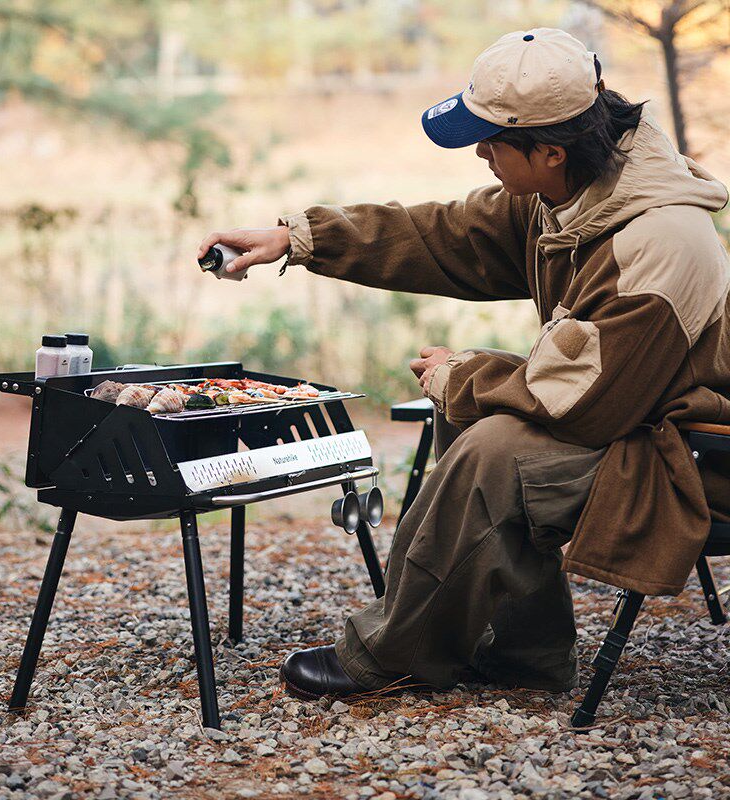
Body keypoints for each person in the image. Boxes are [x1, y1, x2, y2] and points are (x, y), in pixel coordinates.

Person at [197, 28, 730, 700]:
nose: (480, 153)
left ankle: (396, 654)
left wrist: (463, 373)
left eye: (492, 141)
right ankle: (524, 656)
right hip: (632, 418)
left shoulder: (658, 239)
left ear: (551, 150)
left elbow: (590, 407)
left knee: (493, 451)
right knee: (480, 412)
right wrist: (297, 238)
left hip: (691, 454)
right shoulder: (572, 193)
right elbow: (441, 233)